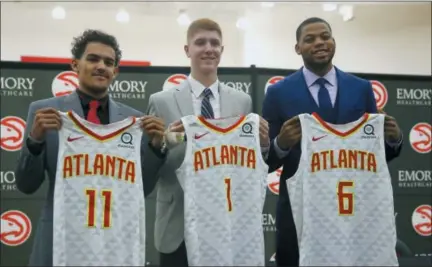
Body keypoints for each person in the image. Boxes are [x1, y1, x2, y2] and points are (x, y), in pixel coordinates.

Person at [15, 29, 167, 266]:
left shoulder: (132, 120)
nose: (101, 66)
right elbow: (26, 185)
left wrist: (156, 148)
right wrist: (35, 140)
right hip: (60, 241)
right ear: (75, 64)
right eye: (93, 59)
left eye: (109, 62)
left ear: (115, 71)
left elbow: (142, 189)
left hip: (116, 243)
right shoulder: (45, 112)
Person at [262, 17, 403, 267]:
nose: (320, 43)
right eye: (310, 39)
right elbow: (265, 162)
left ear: (333, 41)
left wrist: (393, 140)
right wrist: (281, 144)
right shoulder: (277, 93)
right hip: (300, 212)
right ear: (298, 48)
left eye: (325, 36)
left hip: (354, 210)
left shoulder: (361, 88)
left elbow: (376, 154)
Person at [146, 18, 269, 267]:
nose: (208, 48)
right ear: (187, 50)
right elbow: (147, 167)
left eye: (215, 43)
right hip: (177, 224)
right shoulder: (160, 101)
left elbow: (249, 160)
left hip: (227, 222)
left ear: (222, 50)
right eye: (200, 42)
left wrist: (263, 144)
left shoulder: (242, 102)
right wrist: (167, 142)